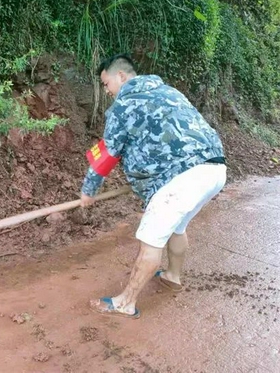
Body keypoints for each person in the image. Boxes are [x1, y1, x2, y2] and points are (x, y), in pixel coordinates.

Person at [81, 54, 226, 319]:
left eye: (106, 83)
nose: (106, 90)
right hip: (214, 169)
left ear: (121, 76)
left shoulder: (125, 103)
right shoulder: (168, 91)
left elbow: (107, 154)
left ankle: (125, 302)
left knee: (150, 239)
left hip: (181, 178)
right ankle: (172, 276)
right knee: (176, 227)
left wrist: (87, 191)